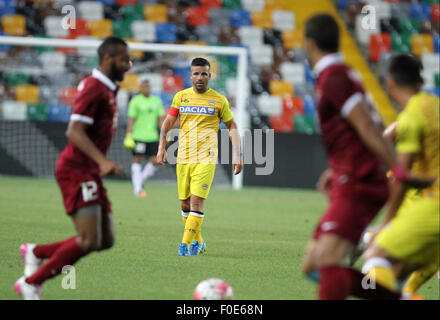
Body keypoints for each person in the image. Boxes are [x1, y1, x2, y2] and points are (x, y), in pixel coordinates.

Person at [301, 14, 432, 300]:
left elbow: (366, 127)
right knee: (313, 265)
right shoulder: (340, 74)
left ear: (308, 44)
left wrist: (397, 170)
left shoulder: (335, 77)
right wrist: (336, 171)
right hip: (348, 176)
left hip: (358, 182)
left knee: (330, 263)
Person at [14, 36, 131, 300]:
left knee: (105, 240)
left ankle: (36, 252)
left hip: (89, 171)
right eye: (124, 59)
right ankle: (31, 283)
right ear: (108, 59)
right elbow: (74, 131)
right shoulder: (93, 87)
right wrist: (102, 161)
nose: (129, 65)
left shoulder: (108, 89)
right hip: (77, 170)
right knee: (89, 239)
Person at [362, 53, 439, 297]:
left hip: (434, 207)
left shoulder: (411, 117)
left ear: (389, 83)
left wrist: (386, 225)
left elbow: (401, 176)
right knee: (399, 273)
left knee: (374, 257)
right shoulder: (435, 105)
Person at [156, 57, 243, 256]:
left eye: (204, 73)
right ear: (190, 76)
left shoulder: (219, 100)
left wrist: (238, 154)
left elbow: (232, 127)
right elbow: (168, 124)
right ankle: (199, 242)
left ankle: (184, 245)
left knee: (196, 203)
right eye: (196, 73)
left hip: (206, 158)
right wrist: (162, 147)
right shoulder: (181, 97)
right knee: (184, 205)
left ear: (210, 76)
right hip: (183, 157)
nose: (200, 77)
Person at [124, 78, 165, 197]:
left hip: (152, 136)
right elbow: (131, 120)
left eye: (148, 86)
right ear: (140, 88)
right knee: (137, 159)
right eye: (144, 86)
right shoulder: (135, 101)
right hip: (139, 136)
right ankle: (138, 189)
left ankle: (138, 183)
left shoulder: (156, 101)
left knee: (156, 161)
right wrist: (128, 135)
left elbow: (160, 120)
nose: (147, 88)